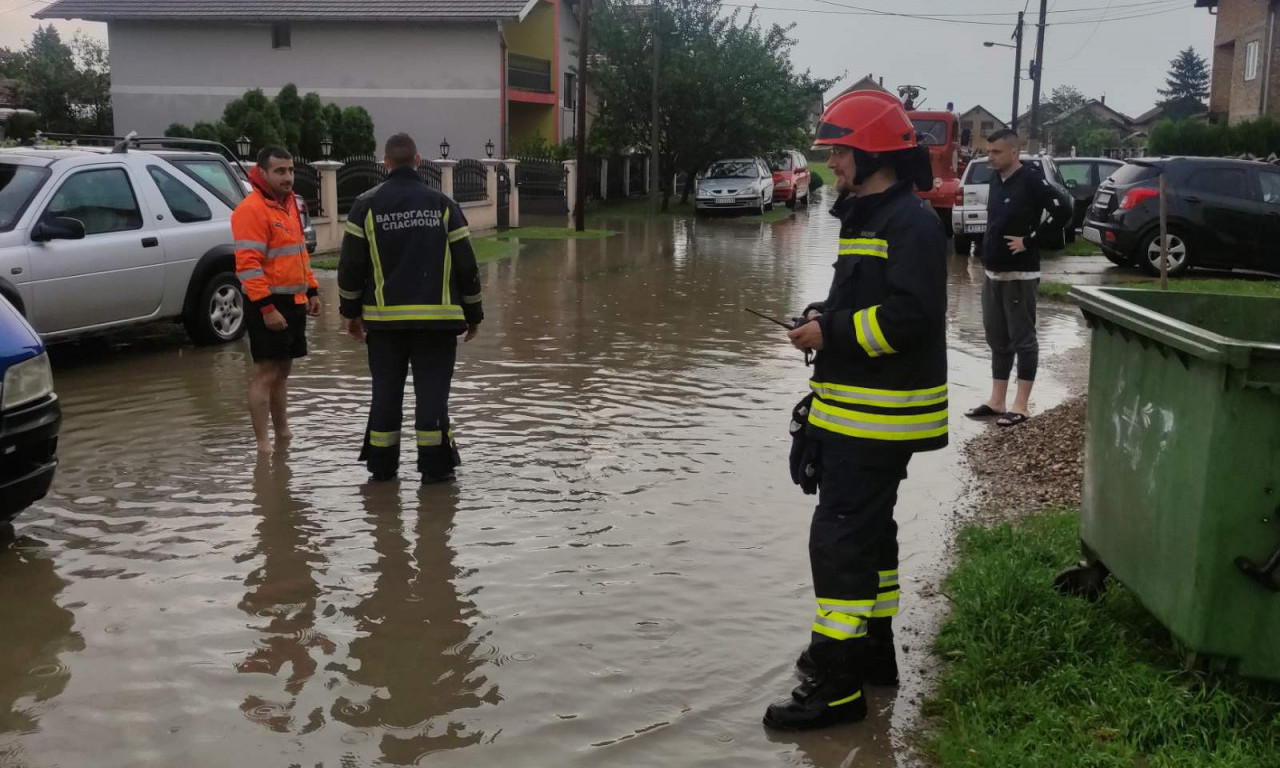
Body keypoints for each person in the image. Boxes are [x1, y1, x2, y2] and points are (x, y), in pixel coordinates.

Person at [764, 90, 949, 732]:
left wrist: (831, 335)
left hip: (878, 417)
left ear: (873, 152)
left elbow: (911, 319)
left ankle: (834, 685)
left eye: (840, 151)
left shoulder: (911, 224)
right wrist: (823, 315)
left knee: (839, 538)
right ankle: (872, 654)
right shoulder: (869, 217)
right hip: (858, 413)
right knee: (870, 532)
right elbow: (865, 300)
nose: (833, 163)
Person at [337, 133, 483, 484]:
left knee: (385, 394)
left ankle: (382, 470)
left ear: (384, 163)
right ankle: (435, 470)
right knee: (432, 395)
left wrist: (350, 313)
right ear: (418, 161)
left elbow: (350, 268)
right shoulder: (444, 204)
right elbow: (467, 266)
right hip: (438, 323)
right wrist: (474, 314)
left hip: (384, 325)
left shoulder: (364, 206)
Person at [967, 129, 1070, 427]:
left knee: (1022, 339)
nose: (991, 157)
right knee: (997, 338)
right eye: (989, 152)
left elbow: (1063, 210)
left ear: (1014, 152)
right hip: (993, 272)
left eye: (996, 152)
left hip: (1020, 273)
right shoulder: (995, 179)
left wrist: (1030, 240)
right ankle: (996, 401)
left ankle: (1021, 406)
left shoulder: (1031, 179)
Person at [232, 146, 321, 455]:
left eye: (291, 170)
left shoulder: (289, 206)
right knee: (266, 373)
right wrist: (266, 308)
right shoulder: (252, 209)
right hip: (267, 304)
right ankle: (263, 444)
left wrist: (311, 290)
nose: (288, 177)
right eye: (280, 171)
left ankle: (283, 434)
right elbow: (248, 266)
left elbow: (299, 253)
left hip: (293, 301)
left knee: (283, 372)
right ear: (263, 173)